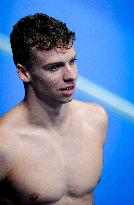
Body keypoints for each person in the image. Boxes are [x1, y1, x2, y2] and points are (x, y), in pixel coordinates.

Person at [0, 13, 108, 205]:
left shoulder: (96, 119)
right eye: (54, 67)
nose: (71, 75)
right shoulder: (4, 144)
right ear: (24, 72)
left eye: (72, 61)